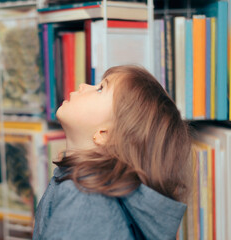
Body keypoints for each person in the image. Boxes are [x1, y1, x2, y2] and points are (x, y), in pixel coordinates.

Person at [32, 65, 192, 240]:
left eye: (100, 89)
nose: (83, 86)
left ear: (104, 134)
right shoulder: (86, 190)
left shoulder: (85, 199)